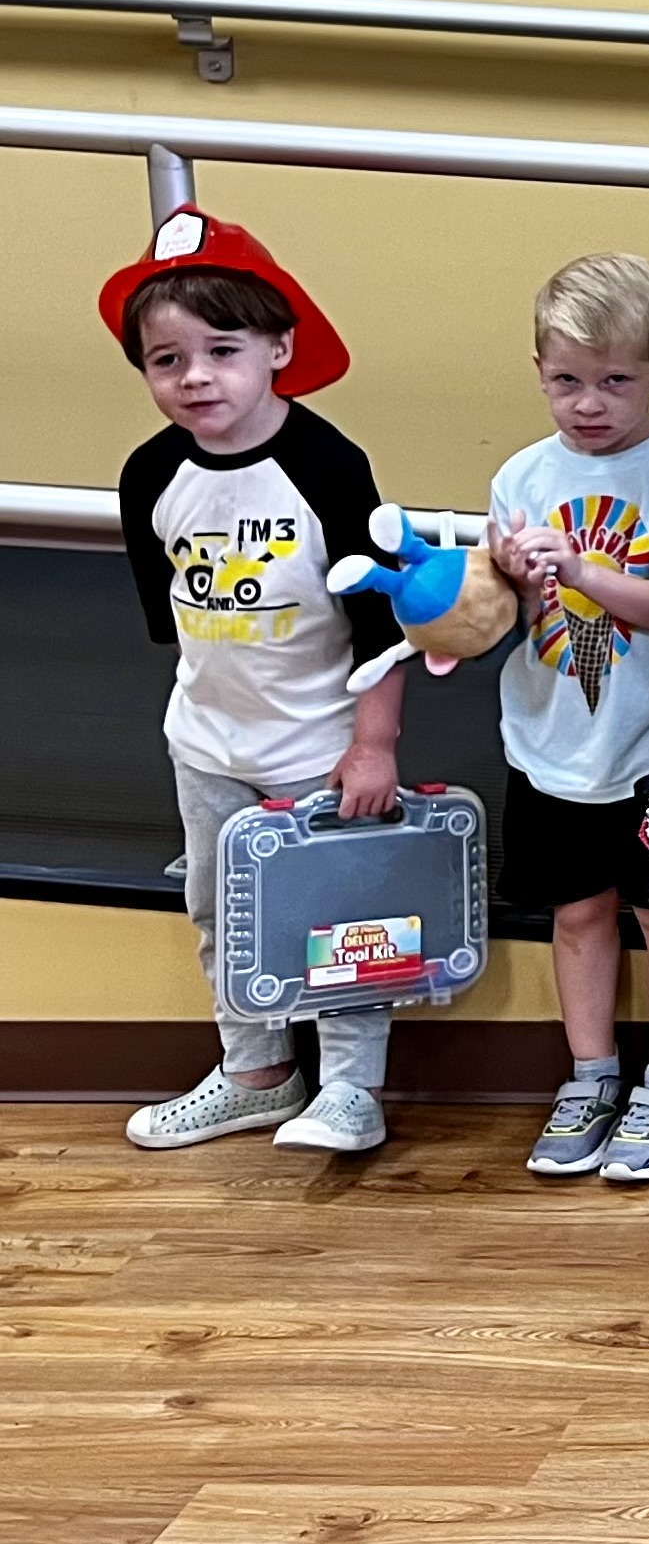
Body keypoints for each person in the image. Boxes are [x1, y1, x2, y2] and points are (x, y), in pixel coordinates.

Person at [105, 207, 406, 1157]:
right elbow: (176, 624)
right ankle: (256, 1074)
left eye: (222, 350)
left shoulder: (328, 467)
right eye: (167, 359)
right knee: (219, 911)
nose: (195, 376)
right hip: (207, 748)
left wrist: (374, 746)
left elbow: (384, 627)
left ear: (279, 348)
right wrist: (210, 737)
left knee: (343, 920)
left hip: (322, 749)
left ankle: (352, 1088)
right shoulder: (149, 476)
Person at [486, 254, 649, 1182]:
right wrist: (507, 582)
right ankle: (590, 1075)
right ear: (538, 373)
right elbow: (498, 614)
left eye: (616, 381)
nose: (589, 403)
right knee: (577, 912)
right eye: (566, 382)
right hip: (550, 743)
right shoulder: (520, 475)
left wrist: (583, 570)